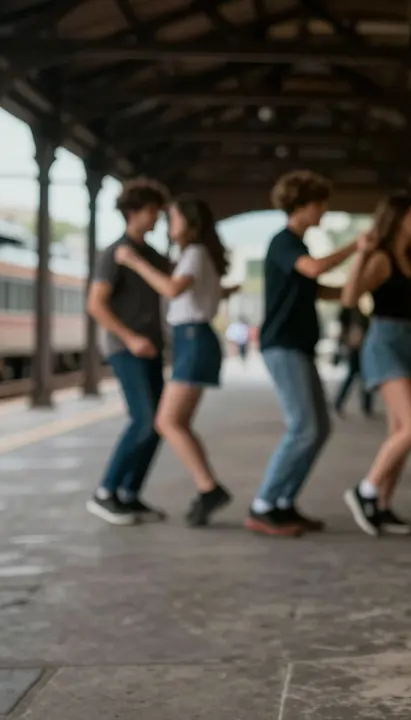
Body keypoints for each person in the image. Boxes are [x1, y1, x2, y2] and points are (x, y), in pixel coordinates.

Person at [247, 170, 374, 538]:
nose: (323, 211)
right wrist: (357, 247)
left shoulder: (297, 247)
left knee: (318, 428)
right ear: (301, 206)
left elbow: (324, 291)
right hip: (282, 346)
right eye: (320, 204)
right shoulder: (284, 242)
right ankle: (263, 504)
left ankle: (283, 502)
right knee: (304, 427)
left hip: (298, 347)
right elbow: (315, 269)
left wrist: (364, 281)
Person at [115, 196, 235, 528]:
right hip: (192, 340)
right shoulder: (195, 255)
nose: (169, 225)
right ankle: (207, 487)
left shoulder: (195, 253)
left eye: (174, 219)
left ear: (190, 223)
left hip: (194, 340)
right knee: (175, 422)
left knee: (167, 422)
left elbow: (172, 289)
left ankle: (209, 487)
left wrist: (134, 261)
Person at [341, 194, 411, 536]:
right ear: (399, 218)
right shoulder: (383, 259)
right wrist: (361, 255)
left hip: (407, 343)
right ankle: (365, 491)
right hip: (384, 342)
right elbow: (349, 297)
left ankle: (383, 507)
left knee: (397, 432)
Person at [85, 178, 173, 526]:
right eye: (152, 211)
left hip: (151, 347)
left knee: (159, 422)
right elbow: (96, 305)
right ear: (133, 212)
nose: (157, 218)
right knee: (143, 418)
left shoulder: (151, 254)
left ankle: (129, 494)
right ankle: (106, 491)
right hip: (125, 348)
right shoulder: (114, 254)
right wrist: (130, 337)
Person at [332, 303, 373, 418]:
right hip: (354, 349)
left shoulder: (360, 316)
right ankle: (364, 405)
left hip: (360, 348)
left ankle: (365, 405)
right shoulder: (348, 313)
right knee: (357, 377)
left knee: (361, 377)